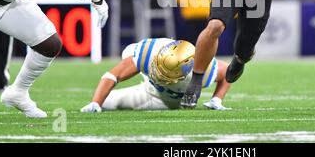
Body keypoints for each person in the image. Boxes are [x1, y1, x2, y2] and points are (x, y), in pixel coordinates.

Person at [80, 39, 231, 112]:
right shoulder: (148, 55)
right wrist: (96, 102)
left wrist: (216, 100)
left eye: (167, 74)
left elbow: (227, 73)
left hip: (166, 100)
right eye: (161, 68)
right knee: (105, 102)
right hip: (150, 89)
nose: (160, 75)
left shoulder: (203, 72)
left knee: (110, 102)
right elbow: (113, 75)